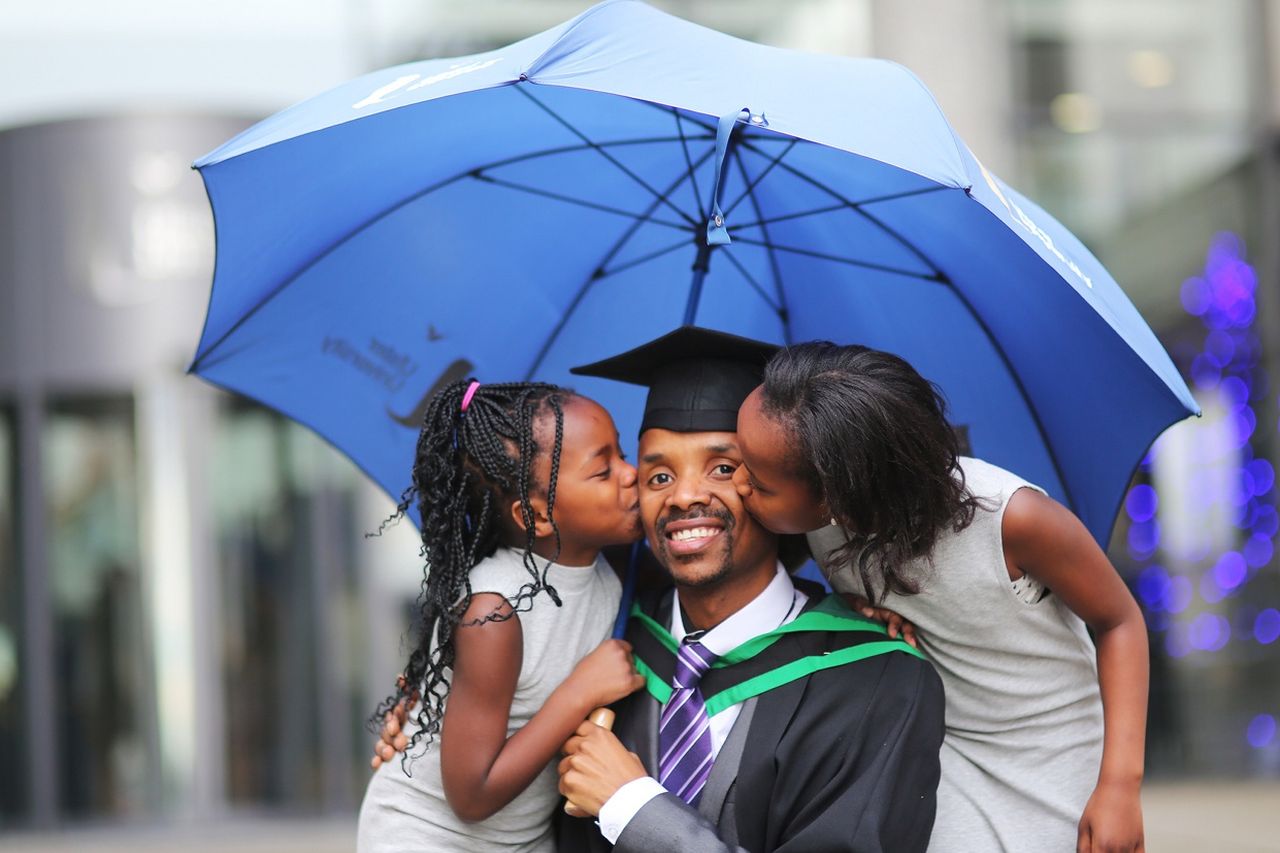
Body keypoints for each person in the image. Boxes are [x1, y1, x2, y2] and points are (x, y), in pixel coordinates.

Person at [732, 341, 1148, 853]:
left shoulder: (1014, 520)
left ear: (839, 496)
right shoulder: (820, 513)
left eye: (759, 481)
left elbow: (1120, 622)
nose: (738, 484)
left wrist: (1120, 786)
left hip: (1049, 752)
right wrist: (848, 608)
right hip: (931, 747)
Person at [554, 327, 946, 852]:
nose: (685, 496)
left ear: (773, 488)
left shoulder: (879, 680)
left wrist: (632, 807)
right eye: (658, 477)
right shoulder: (604, 649)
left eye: (722, 468)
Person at [357, 379, 647, 853]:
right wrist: (579, 692)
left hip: (522, 841)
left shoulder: (612, 568)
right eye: (603, 470)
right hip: (429, 837)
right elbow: (470, 795)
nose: (630, 473)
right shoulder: (493, 613)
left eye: (622, 454)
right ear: (536, 517)